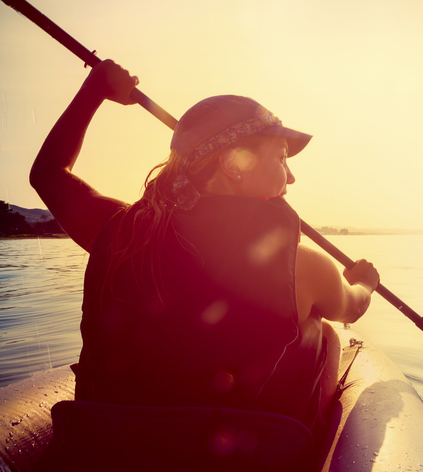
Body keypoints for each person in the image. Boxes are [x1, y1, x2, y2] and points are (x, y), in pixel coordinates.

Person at [30, 60, 379, 434]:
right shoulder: (305, 267)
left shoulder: (121, 229)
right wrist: (366, 283)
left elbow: (48, 174)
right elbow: (352, 307)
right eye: (280, 158)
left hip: (109, 446)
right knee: (323, 330)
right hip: (231, 455)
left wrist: (94, 89)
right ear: (233, 163)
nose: (290, 176)